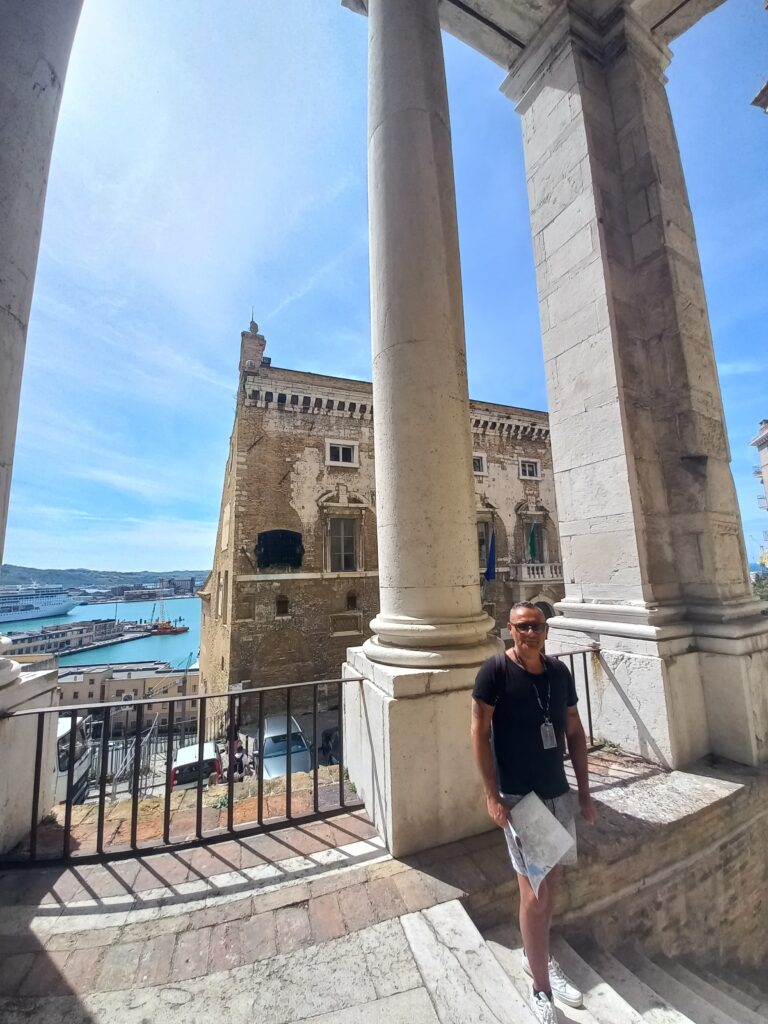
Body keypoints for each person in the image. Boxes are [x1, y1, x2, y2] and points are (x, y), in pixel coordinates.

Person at [471, 602, 597, 1024]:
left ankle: (536, 957)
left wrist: (583, 792)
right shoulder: (495, 673)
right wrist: (492, 795)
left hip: (557, 793)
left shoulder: (559, 673)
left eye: (536, 626)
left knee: (549, 890)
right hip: (521, 798)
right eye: (522, 626)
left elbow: (574, 730)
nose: (529, 633)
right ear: (509, 630)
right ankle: (540, 988)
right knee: (535, 893)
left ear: (546, 631)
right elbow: (479, 732)